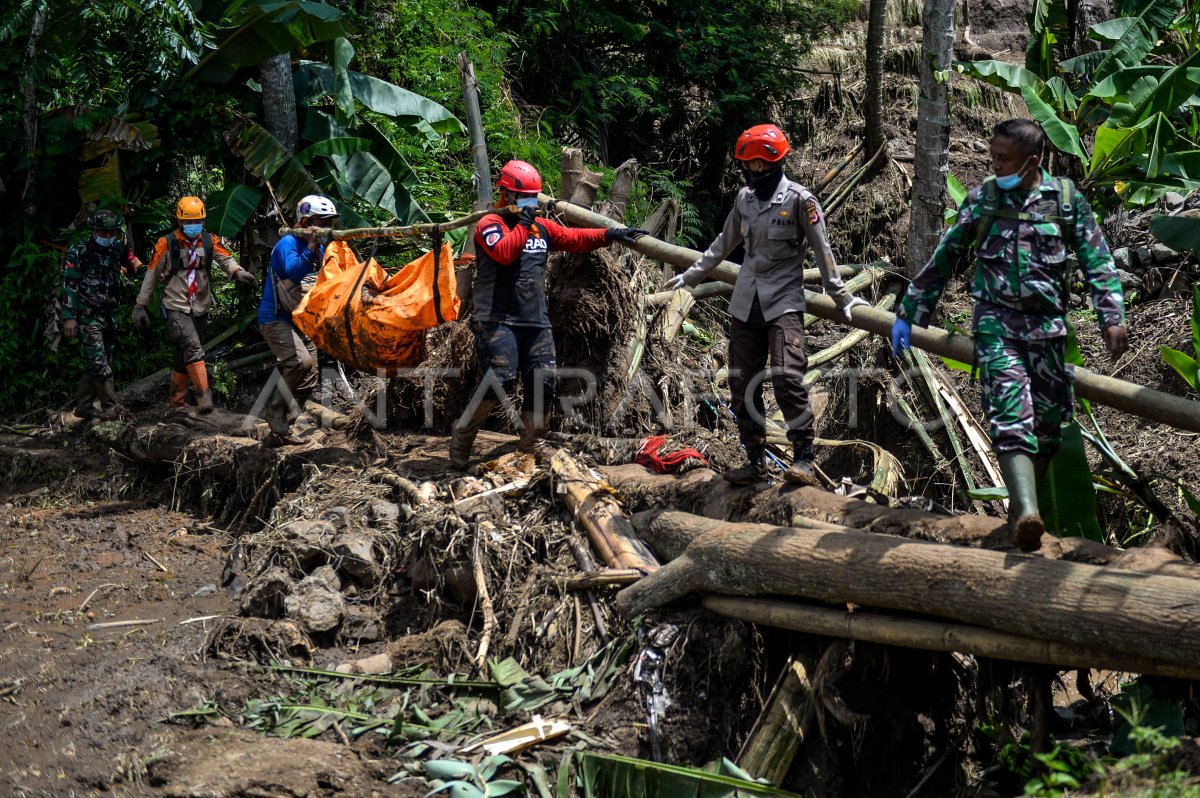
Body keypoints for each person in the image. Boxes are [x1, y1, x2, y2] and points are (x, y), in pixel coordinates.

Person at [891, 118, 1128, 552]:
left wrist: (1111, 317)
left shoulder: (1066, 200)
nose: (995, 165)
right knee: (1010, 415)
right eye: (993, 157)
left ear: (1033, 161)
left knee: (1050, 428)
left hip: (1048, 330)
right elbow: (946, 255)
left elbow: (1098, 261)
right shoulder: (983, 199)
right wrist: (909, 311)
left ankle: (1022, 514)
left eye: (1004, 159)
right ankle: (1025, 511)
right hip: (996, 326)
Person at [665, 124, 868, 486]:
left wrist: (842, 296)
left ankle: (803, 458)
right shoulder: (745, 199)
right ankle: (755, 460)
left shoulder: (800, 201)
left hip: (784, 305)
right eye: (750, 164)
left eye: (762, 163)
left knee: (788, 378)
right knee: (742, 385)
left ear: (775, 162)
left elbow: (824, 253)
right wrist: (692, 275)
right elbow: (722, 244)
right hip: (745, 304)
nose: (756, 170)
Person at [449, 159, 648, 469]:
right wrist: (525, 222)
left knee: (543, 380)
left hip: (535, 320)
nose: (530, 202)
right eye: (524, 197)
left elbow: (573, 239)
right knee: (499, 378)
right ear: (508, 194)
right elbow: (504, 253)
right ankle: (462, 438)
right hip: (496, 319)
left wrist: (610, 234)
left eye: (533, 197)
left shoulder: (541, 228)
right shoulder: (491, 224)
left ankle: (532, 443)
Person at [132, 196, 256, 412]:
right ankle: (204, 399)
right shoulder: (166, 243)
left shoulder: (209, 241)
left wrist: (238, 272)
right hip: (176, 306)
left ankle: (177, 402)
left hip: (201, 306)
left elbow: (226, 259)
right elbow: (151, 274)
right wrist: (140, 305)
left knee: (184, 355)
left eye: (197, 221)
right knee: (193, 348)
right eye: (188, 222)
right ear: (180, 222)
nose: (193, 226)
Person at [257, 194, 338, 447]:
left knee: (311, 372)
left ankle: (284, 427)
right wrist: (312, 248)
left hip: (300, 318)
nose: (325, 228)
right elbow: (292, 270)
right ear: (305, 222)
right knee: (299, 363)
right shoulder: (286, 244)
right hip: (276, 317)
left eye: (329, 223)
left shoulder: (320, 248)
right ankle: (275, 412)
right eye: (321, 222)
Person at [61, 209, 144, 419]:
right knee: (99, 361)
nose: (108, 237)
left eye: (111, 233)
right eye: (103, 233)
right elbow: (70, 285)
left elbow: (135, 265)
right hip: (87, 315)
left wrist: (155, 272)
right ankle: (110, 407)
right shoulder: (79, 251)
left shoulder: (118, 247)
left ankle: (84, 406)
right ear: (94, 230)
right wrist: (69, 317)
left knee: (103, 359)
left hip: (110, 313)